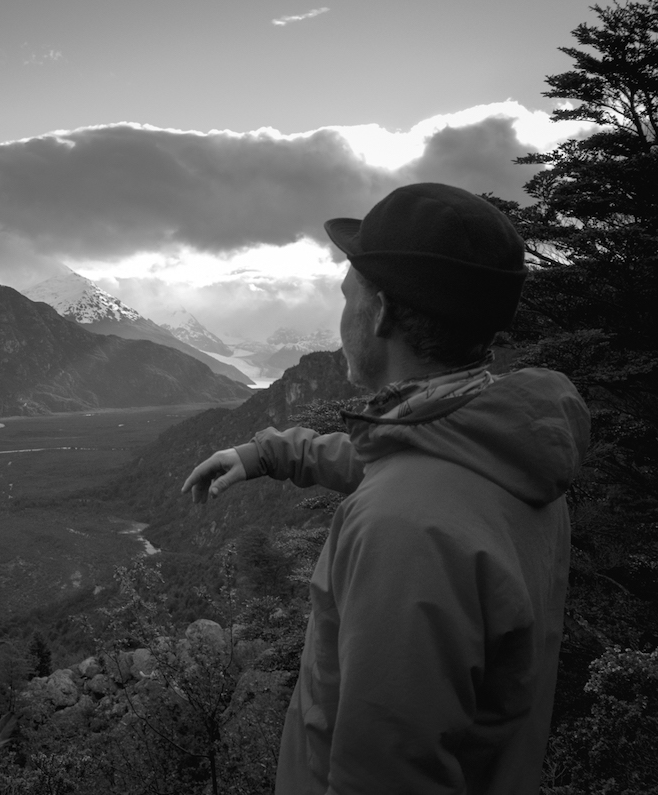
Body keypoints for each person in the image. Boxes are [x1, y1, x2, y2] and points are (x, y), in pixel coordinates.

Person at [182, 183, 590, 794]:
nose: (341, 315)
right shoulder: (505, 453)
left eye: (348, 296)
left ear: (380, 314)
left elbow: (388, 772)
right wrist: (268, 453)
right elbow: (400, 462)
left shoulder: (406, 531)